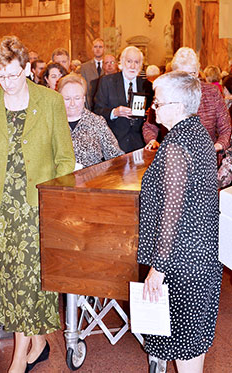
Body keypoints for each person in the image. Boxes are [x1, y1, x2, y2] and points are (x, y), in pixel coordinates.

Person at [0, 35, 75, 373]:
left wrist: (57, 204)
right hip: (0, 207)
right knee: (9, 277)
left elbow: (65, 158)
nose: (5, 83)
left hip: (37, 206)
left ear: (26, 69)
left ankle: (19, 356)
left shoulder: (49, 101)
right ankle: (38, 341)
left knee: (29, 278)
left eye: (12, 75)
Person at [138, 71, 223, 373]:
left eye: (158, 102)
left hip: (180, 264)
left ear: (177, 104)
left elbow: (173, 212)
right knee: (193, 349)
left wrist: (157, 270)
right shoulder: (199, 134)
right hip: (201, 260)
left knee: (185, 351)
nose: (153, 108)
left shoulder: (175, 146)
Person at [143, 47, 231, 162]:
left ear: (198, 72)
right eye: (183, 75)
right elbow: (149, 126)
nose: (189, 79)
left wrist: (217, 147)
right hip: (174, 159)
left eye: (192, 73)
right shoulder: (166, 94)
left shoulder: (212, 92)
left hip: (208, 160)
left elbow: (226, 129)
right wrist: (152, 140)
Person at [57, 73, 124, 168]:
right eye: (67, 99)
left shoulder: (97, 122)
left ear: (84, 98)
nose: (72, 104)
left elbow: (116, 157)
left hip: (92, 180)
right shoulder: (51, 123)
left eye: (77, 98)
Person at [94, 46, 147, 153]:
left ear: (141, 65)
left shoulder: (147, 85)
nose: (132, 66)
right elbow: (97, 111)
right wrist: (114, 112)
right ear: (122, 62)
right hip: (114, 143)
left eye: (136, 62)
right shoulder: (107, 82)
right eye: (129, 61)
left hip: (139, 144)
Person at [80, 38, 105, 107]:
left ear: (104, 49)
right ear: (92, 49)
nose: (98, 49)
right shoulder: (84, 67)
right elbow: (83, 88)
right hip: (90, 103)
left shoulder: (108, 65)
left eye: (100, 47)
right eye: (95, 47)